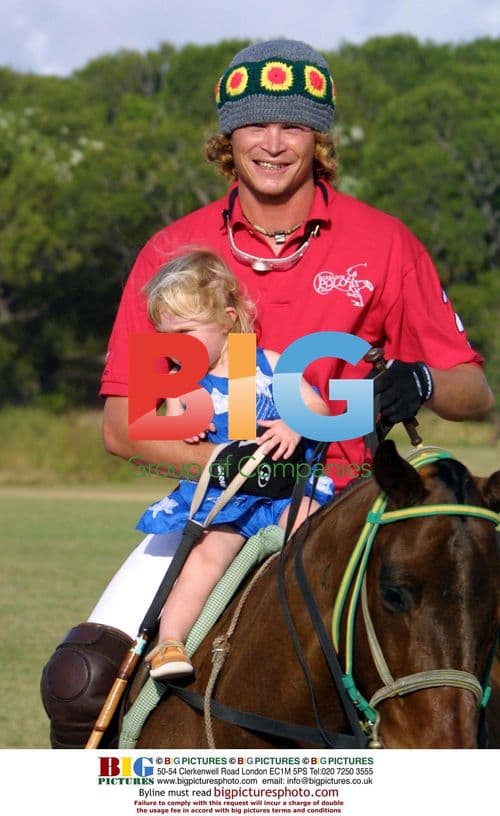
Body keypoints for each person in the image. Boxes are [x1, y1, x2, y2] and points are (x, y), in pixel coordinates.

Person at [41, 38, 493, 748]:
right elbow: (128, 425)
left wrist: (425, 380)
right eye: (255, 123)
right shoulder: (178, 256)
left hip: (351, 508)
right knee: (81, 683)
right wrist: (224, 459)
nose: (274, 143)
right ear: (228, 136)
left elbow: (474, 391)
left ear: (320, 137)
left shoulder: (382, 244)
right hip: (219, 504)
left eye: (294, 125)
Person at [136, 249, 333, 679]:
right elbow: (172, 429)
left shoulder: (269, 364)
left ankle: (320, 630)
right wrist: (183, 429)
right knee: (206, 557)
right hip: (228, 499)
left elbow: (320, 407)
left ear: (227, 319)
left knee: (311, 533)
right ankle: (170, 643)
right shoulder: (185, 383)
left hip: (284, 488)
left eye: (185, 332)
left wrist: (293, 423)